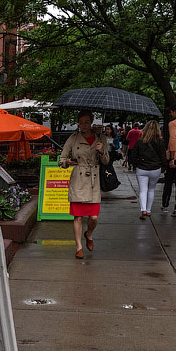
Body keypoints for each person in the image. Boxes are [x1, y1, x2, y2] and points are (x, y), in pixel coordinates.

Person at [59, 110, 110, 259]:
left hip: (94, 180)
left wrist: (101, 151)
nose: (84, 126)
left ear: (92, 122)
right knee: (78, 217)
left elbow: (106, 161)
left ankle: (88, 234)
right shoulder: (73, 138)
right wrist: (66, 162)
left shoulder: (100, 139)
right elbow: (61, 159)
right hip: (79, 179)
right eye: (81, 123)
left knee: (93, 217)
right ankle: (79, 247)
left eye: (86, 122)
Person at [131, 119, 168, 219]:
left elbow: (133, 155)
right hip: (155, 168)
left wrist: (136, 164)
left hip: (142, 168)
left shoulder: (140, 142)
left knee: (143, 190)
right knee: (151, 189)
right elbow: (163, 156)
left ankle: (143, 209)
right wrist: (164, 167)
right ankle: (148, 210)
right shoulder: (160, 142)